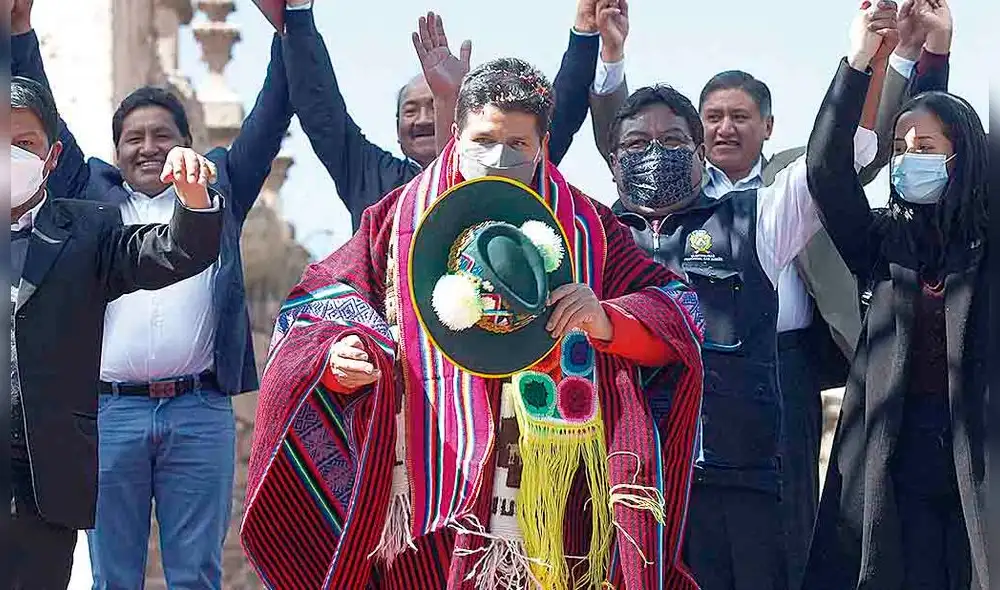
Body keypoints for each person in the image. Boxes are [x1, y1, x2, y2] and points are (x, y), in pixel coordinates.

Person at [242, 57, 707, 589]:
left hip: (555, 497)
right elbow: (314, 306)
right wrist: (338, 355)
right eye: (483, 139)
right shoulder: (393, 222)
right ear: (456, 132)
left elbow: (680, 313)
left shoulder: (590, 228)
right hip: (428, 485)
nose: (498, 157)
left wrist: (609, 321)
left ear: (543, 144)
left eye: (518, 145)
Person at [573, 2, 952, 585]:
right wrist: (598, 52)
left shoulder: (760, 216)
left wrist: (860, 61)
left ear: (699, 153)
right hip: (624, 480)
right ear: (614, 157)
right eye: (637, 143)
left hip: (736, 480)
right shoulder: (590, 235)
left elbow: (840, 158)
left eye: (673, 140)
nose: (655, 153)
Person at [9, 0, 294, 585]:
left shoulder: (217, 194)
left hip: (198, 410)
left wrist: (290, 31)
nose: (148, 147)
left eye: (162, 134)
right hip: (109, 412)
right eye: (133, 138)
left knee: (195, 574)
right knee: (113, 574)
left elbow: (268, 120)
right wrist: (19, 32)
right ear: (114, 154)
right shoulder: (90, 204)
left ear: (188, 144)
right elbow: (39, 120)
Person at [802, 1, 990, 588]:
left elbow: (953, 126)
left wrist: (938, 54)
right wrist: (859, 60)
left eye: (927, 149)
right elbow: (827, 172)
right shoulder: (884, 241)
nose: (909, 158)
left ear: (966, 159)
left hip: (978, 471)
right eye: (902, 148)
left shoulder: (987, 241)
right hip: (890, 464)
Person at [9, 76, 222, 590]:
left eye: (24, 144)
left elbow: (175, 251)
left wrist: (192, 200)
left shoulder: (87, 232)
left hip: (42, 479)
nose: (8, 156)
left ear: (52, 156)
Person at [280, 0, 612, 230]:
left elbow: (559, 114)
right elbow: (320, 108)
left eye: (436, 104)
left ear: (460, 123)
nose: (424, 118)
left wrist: (585, 32)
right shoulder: (369, 177)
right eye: (411, 110)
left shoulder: (506, 171)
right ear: (396, 129)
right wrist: (297, 16)